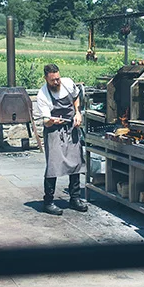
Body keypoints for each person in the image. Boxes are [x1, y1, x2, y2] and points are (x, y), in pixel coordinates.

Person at [36, 63, 88, 215]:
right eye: (53, 80)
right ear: (46, 78)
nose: (57, 82)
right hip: (54, 130)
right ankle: (48, 202)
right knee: (54, 165)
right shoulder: (43, 95)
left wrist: (78, 113)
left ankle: (75, 198)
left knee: (76, 162)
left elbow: (76, 97)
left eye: (58, 78)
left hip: (71, 127)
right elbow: (45, 120)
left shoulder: (68, 83)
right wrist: (51, 121)